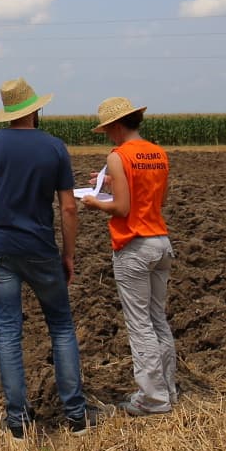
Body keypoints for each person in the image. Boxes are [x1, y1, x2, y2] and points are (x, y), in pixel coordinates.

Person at [0, 77, 96, 437]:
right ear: (35, 109)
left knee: (9, 332)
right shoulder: (54, 147)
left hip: (0, 248)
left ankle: (18, 421)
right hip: (41, 249)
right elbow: (68, 208)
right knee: (60, 326)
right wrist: (68, 256)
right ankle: (75, 415)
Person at [79, 95, 177, 415]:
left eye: (108, 129)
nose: (108, 134)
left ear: (117, 126)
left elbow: (122, 208)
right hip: (160, 241)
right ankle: (168, 390)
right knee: (158, 319)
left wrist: (95, 202)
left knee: (140, 325)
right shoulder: (157, 153)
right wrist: (108, 182)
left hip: (134, 246)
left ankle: (152, 399)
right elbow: (147, 193)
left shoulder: (119, 155)